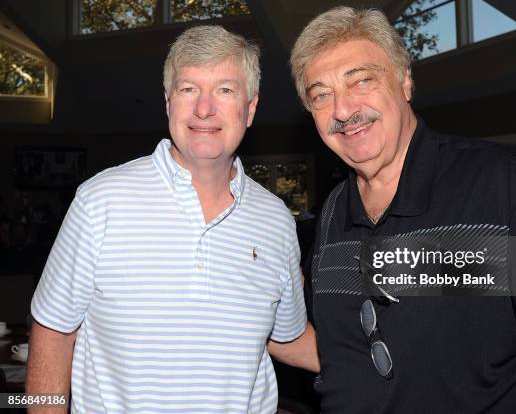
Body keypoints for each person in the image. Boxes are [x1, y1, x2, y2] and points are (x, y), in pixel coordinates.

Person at [289, 6, 516, 413]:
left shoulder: (504, 183)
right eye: (321, 95)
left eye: (362, 81)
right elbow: (343, 348)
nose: (342, 109)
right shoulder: (335, 209)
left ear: (405, 80)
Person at [27, 25, 311, 413]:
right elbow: (53, 331)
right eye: (188, 89)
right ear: (167, 101)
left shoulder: (276, 220)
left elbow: (287, 337)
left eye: (225, 90)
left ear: (250, 108)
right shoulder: (100, 200)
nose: (204, 109)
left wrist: (389, 365)